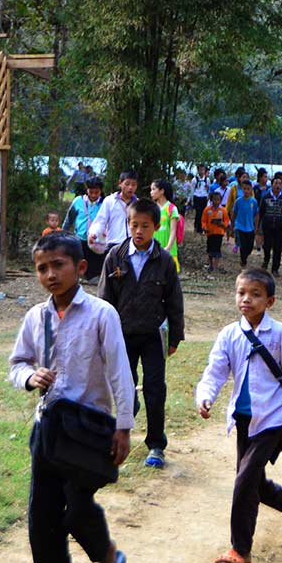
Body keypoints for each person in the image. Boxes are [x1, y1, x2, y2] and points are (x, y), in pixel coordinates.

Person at [7, 231, 135, 563]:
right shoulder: (35, 317)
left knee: (77, 506)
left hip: (90, 429)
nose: (50, 274)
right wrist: (30, 377)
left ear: (80, 267)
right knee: (42, 510)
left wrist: (124, 427)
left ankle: (108, 556)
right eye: (42, 268)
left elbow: (119, 372)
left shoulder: (101, 314)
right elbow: (17, 363)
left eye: (58, 265)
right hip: (48, 428)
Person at [195, 269, 282, 563]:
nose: (246, 299)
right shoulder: (229, 335)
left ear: (270, 301)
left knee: (244, 482)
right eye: (241, 293)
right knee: (254, 482)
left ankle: (240, 549)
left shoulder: (281, 335)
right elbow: (216, 371)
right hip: (244, 420)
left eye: (255, 294)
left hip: (273, 419)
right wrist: (205, 396)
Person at [99, 199, 185, 469]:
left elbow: (174, 302)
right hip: (121, 336)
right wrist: (102, 337)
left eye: (145, 226)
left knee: (155, 389)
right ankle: (120, 431)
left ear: (156, 227)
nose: (138, 231)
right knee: (124, 388)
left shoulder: (165, 263)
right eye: (133, 225)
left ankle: (156, 445)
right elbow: (104, 301)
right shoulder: (115, 257)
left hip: (152, 336)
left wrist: (176, 337)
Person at [89, 171, 138, 279]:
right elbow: (101, 221)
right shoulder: (109, 201)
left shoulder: (137, 204)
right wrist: (94, 233)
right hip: (114, 245)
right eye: (127, 184)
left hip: (132, 246)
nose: (130, 187)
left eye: (134, 185)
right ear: (120, 183)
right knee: (113, 278)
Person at [258, 172, 282, 275]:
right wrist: (259, 227)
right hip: (267, 226)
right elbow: (261, 212)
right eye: (275, 183)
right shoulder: (266, 197)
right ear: (271, 185)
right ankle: (266, 260)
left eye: (280, 184)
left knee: (278, 248)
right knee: (267, 246)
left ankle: (275, 268)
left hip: (279, 226)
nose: (277, 186)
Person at [150, 179, 183, 271]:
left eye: (153, 189)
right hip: (153, 248)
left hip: (169, 249)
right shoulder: (152, 208)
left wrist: (168, 247)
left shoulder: (172, 208)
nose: (151, 192)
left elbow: (173, 230)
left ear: (162, 191)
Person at [231, 173, 259, 269]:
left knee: (249, 247)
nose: (246, 191)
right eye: (244, 189)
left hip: (250, 227)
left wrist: (256, 227)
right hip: (240, 227)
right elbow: (234, 213)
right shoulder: (238, 201)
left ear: (251, 189)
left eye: (248, 189)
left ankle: (245, 257)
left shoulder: (254, 202)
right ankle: (243, 261)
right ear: (242, 189)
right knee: (242, 246)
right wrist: (232, 226)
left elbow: (256, 214)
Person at [201, 189, 229, 272]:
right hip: (210, 232)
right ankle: (210, 264)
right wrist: (204, 227)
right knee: (210, 249)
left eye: (218, 199)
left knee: (217, 249)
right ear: (211, 200)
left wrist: (223, 224)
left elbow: (227, 221)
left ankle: (215, 266)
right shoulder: (207, 210)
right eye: (214, 199)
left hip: (219, 233)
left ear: (220, 200)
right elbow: (203, 220)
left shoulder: (223, 210)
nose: (216, 201)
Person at [192, 163, 212, 234]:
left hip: (204, 197)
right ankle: (197, 226)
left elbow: (209, 189)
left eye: (203, 170)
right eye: (200, 170)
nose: (201, 171)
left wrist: (208, 197)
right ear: (198, 170)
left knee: (203, 213)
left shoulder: (207, 179)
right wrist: (192, 200)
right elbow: (192, 190)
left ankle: (201, 228)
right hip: (197, 196)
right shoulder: (194, 179)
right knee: (198, 212)